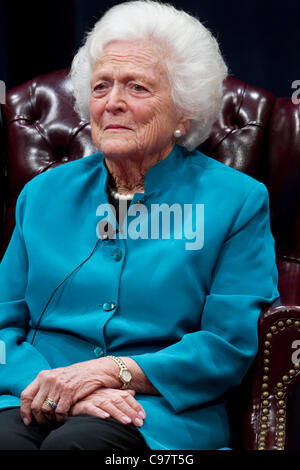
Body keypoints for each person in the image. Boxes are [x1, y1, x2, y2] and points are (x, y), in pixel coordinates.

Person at [0, 0, 279, 450]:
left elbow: (228, 344)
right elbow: (1, 326)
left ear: (183, 111)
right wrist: (57, 388)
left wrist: (114, 372)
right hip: (29, 395)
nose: (113, 103)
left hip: (156, 411)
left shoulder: (237, 202)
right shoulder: (42, 195)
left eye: (138, 88)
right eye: (102, 87)